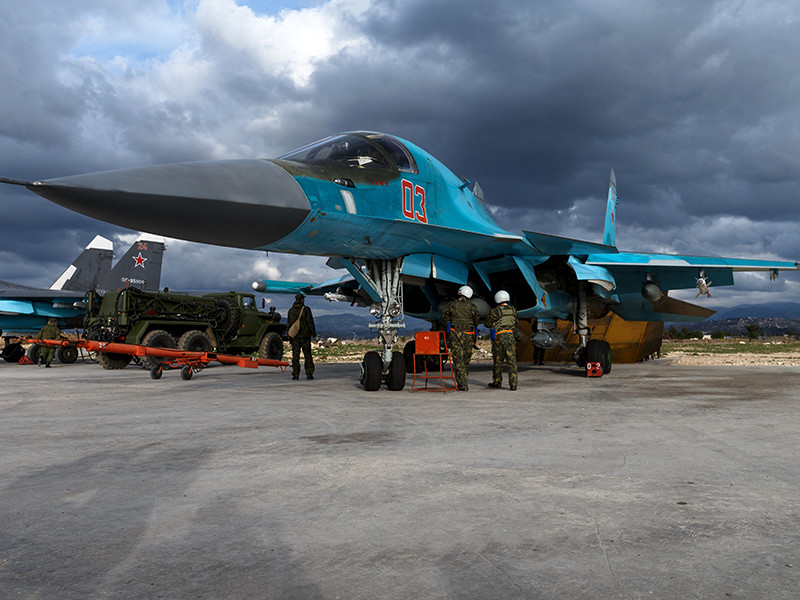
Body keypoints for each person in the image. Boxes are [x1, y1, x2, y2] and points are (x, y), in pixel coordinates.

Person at [442, 285, 480, 391]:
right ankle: (463, 381)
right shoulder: (473, 307)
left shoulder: (452, 305)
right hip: (468, 335)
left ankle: (462, 383)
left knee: (458, 359)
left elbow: (445, 318)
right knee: (466, 359)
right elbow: (476, 321)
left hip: (455, 334)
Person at [486, 290, 519, 390]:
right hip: (510, 336)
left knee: (498, 361)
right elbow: (516, 322)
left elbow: (487, 323)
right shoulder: (513, 310)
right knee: (511, 361)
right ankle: (513, 384)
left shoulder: (495, 311)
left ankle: (497, 382)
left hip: (499, 337)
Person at [286, 293, 316, 380]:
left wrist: (289, 336)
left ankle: (295, 374)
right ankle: (309, 374)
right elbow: (310, 322)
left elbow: (289, 324)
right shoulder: (306, 309)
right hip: (305, 336)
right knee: (307, 355)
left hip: (295, 336)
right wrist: (313, 333)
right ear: (302, 300)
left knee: (295, 356)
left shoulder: (290, 311)